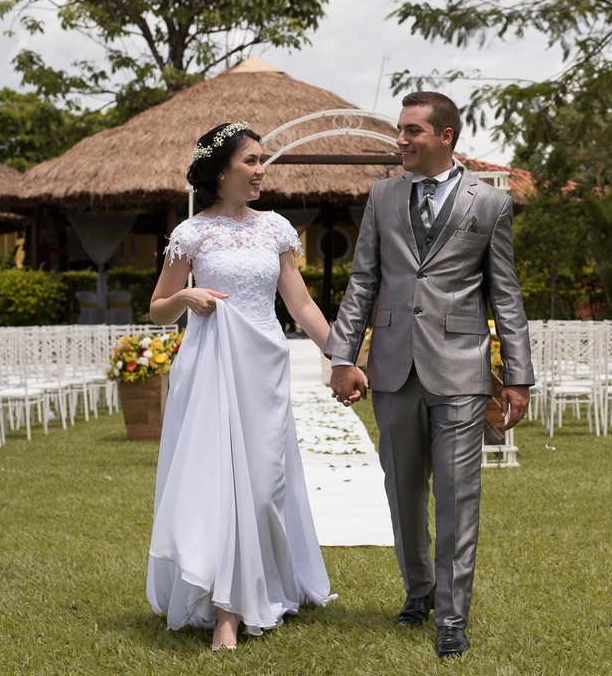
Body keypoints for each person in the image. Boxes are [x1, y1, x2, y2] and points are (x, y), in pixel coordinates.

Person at [326, 91, 534, 659]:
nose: (401, 140)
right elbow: (362, 281)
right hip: (392, 367)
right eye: (400, 130)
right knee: (402, 490)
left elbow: (505, 296)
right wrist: (343, 358)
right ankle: (417, 593)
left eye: (413, 131)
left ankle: (451, 615)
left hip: (463, 370)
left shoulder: (488, 205)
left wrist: (517, 376)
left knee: (459, 494)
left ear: (445, 136)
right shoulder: (382, 197)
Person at [145, 122, 340, 652]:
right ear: (221, 170)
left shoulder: (275, 228)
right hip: (208, 368)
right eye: (251, 161)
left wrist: (342, 355)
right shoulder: (191, 234)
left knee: (259, 489)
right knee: (215, 485)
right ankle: (227, 613)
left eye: (262, 161)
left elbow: (300, 305)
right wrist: (187, 298)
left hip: (262, 369)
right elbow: (158, 309)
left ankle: (260, 587)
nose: (261, 170)